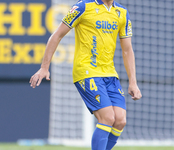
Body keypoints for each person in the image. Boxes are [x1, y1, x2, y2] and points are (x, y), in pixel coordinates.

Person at [30, 0, 142, 149]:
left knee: (120, 120)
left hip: (109, 73)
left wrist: (133, 82)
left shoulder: (122, 13)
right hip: (87, 71)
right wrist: (44, 67)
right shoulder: (82, 7)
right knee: (107, 118)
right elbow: (57, 35)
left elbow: (127, 50)